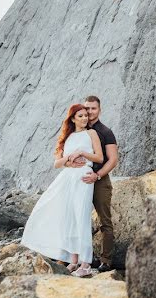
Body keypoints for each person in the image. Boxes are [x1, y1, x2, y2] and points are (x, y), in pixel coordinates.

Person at [21, 104, 104, 277]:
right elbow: (57, 163)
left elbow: (99, 157)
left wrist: (82, 152)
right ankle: (73, 261)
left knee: (81, 217)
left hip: (84, 176)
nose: (84, 119)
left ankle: (86, 263)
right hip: (68, 177)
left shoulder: (91, 133)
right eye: (80, 116)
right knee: (68, 218)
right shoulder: (68, 137)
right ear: (72, 118)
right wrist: (69, 160)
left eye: (85, 116)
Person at [66, 95, 118, 272]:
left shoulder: (105, 132)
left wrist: (97, 175)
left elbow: (112, 159)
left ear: (99, 110)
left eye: (93, 108)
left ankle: (106, 260)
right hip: (80, 180)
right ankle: (82, 258)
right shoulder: (79, 131)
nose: (89, 112)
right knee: (78, 219)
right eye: (86, 109)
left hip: (100, 180)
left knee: (105, 221)